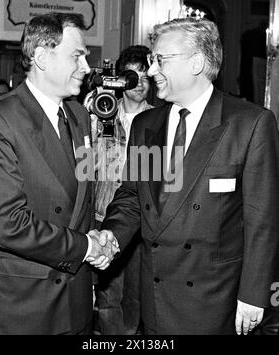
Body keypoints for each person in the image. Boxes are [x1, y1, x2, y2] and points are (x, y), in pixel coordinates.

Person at [97, 18, 279, 335]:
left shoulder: (248, 124)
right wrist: (112, 234)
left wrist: (254, 294)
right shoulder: (146, 126)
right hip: (154, 296)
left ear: (196, 62)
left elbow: (262, 218)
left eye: (160, 60)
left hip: (214, 300)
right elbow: (133, 199)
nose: (151, 71)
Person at [0, 12, 117, 335]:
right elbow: (7, 224)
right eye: (77, 56)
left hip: (78, 303)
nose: (86, 67)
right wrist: (85, 247)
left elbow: (81, 200)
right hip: (25, 309)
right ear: (42, 57)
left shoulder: (80, 117)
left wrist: (98, 236)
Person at [92, 45, 153, 335]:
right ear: (119, 79)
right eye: (132, 76)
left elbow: (172, 176)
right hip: (104, 217)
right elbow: (83, 166)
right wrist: (90, 119)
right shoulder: (103, 112)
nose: (140, 83)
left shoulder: (161, 119)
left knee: (136, 299)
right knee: (108, 298)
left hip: (144, 222)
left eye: (145, 76)